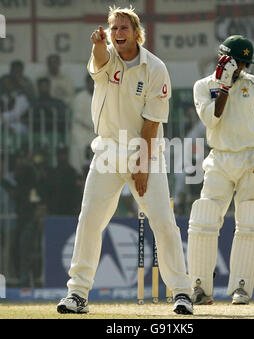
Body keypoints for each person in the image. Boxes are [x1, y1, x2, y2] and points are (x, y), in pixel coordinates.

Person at [57, 6, 193, 315]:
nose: (118, 33)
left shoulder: (155, 69)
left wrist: (142, 166)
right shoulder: (105, 57)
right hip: (107, 151)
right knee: (90, 219)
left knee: (162, 222)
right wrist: (96, 44)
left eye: (123, 28)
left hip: (143, 153)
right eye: (114, 28)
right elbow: (99, 62)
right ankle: (77, 294)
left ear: (136, 33)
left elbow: (151, 123)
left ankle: (183, 293)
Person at [187, 35, 254, 306]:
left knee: (250, 220)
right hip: (220, 158)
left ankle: (240, 288)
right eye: (238, 62)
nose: (242, 68)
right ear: (224, 58)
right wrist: (223, 86)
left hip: (253, 158)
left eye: (245, 63)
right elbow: (212, 118)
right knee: (204, 216)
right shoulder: (202, 86)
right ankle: (199, 288)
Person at [69, 74, 96, 175]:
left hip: (95, 133)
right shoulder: (80, 97)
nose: (93, 85)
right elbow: (79, 118)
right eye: (91, 82)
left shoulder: (101, 96)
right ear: (86, 83)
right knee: (80, 159)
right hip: (81, 132)